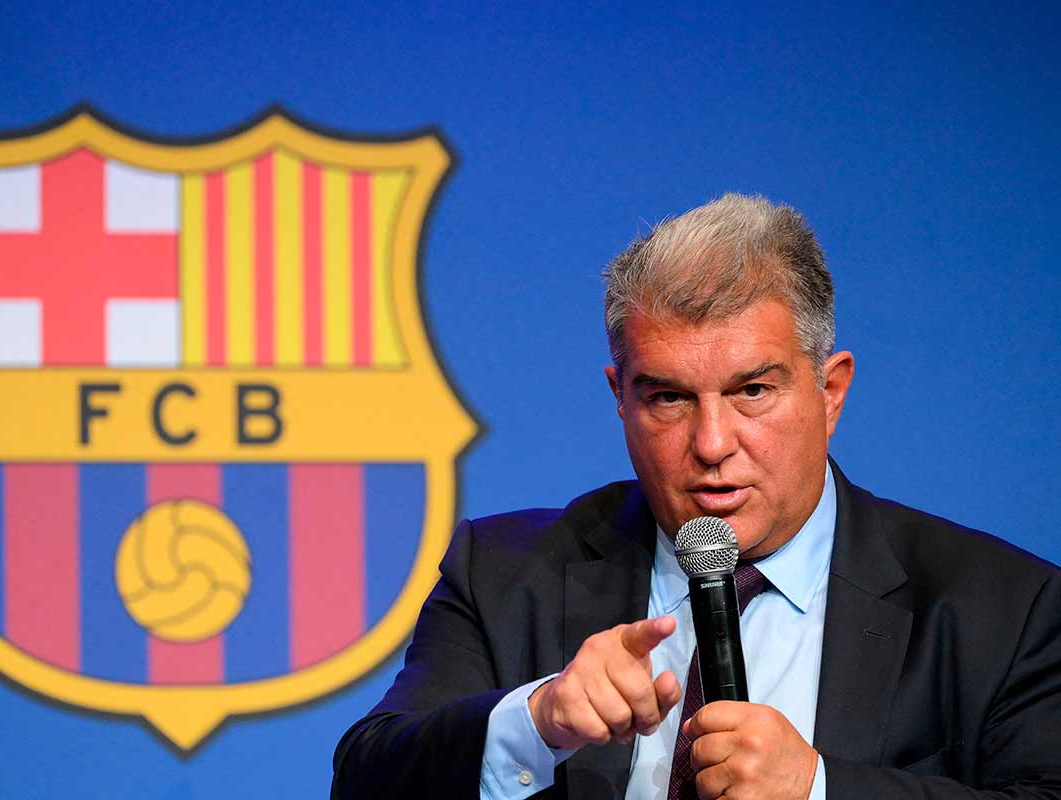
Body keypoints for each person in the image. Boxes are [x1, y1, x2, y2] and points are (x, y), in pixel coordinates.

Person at [331, 194, 1061, 799]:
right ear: (621, 398)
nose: (711, 444)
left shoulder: (1004, 609)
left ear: (830, 390)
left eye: (753, 391)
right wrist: (538, 720)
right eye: (670, 398)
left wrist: (819, 789)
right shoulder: (502, 573)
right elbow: (367, 779)